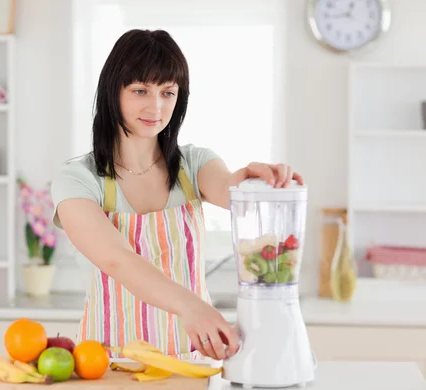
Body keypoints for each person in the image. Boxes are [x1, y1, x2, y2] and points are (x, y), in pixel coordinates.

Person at [51, 29, 303, 361]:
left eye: (168, 92)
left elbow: (231, 190)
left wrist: (256, 182)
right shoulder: (78, 179)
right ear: (114, 92)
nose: (155, 106)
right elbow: (116, 258)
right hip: (108, 364)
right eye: (140, 90)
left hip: (191, 360)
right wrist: (192, 307)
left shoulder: (194, 164)